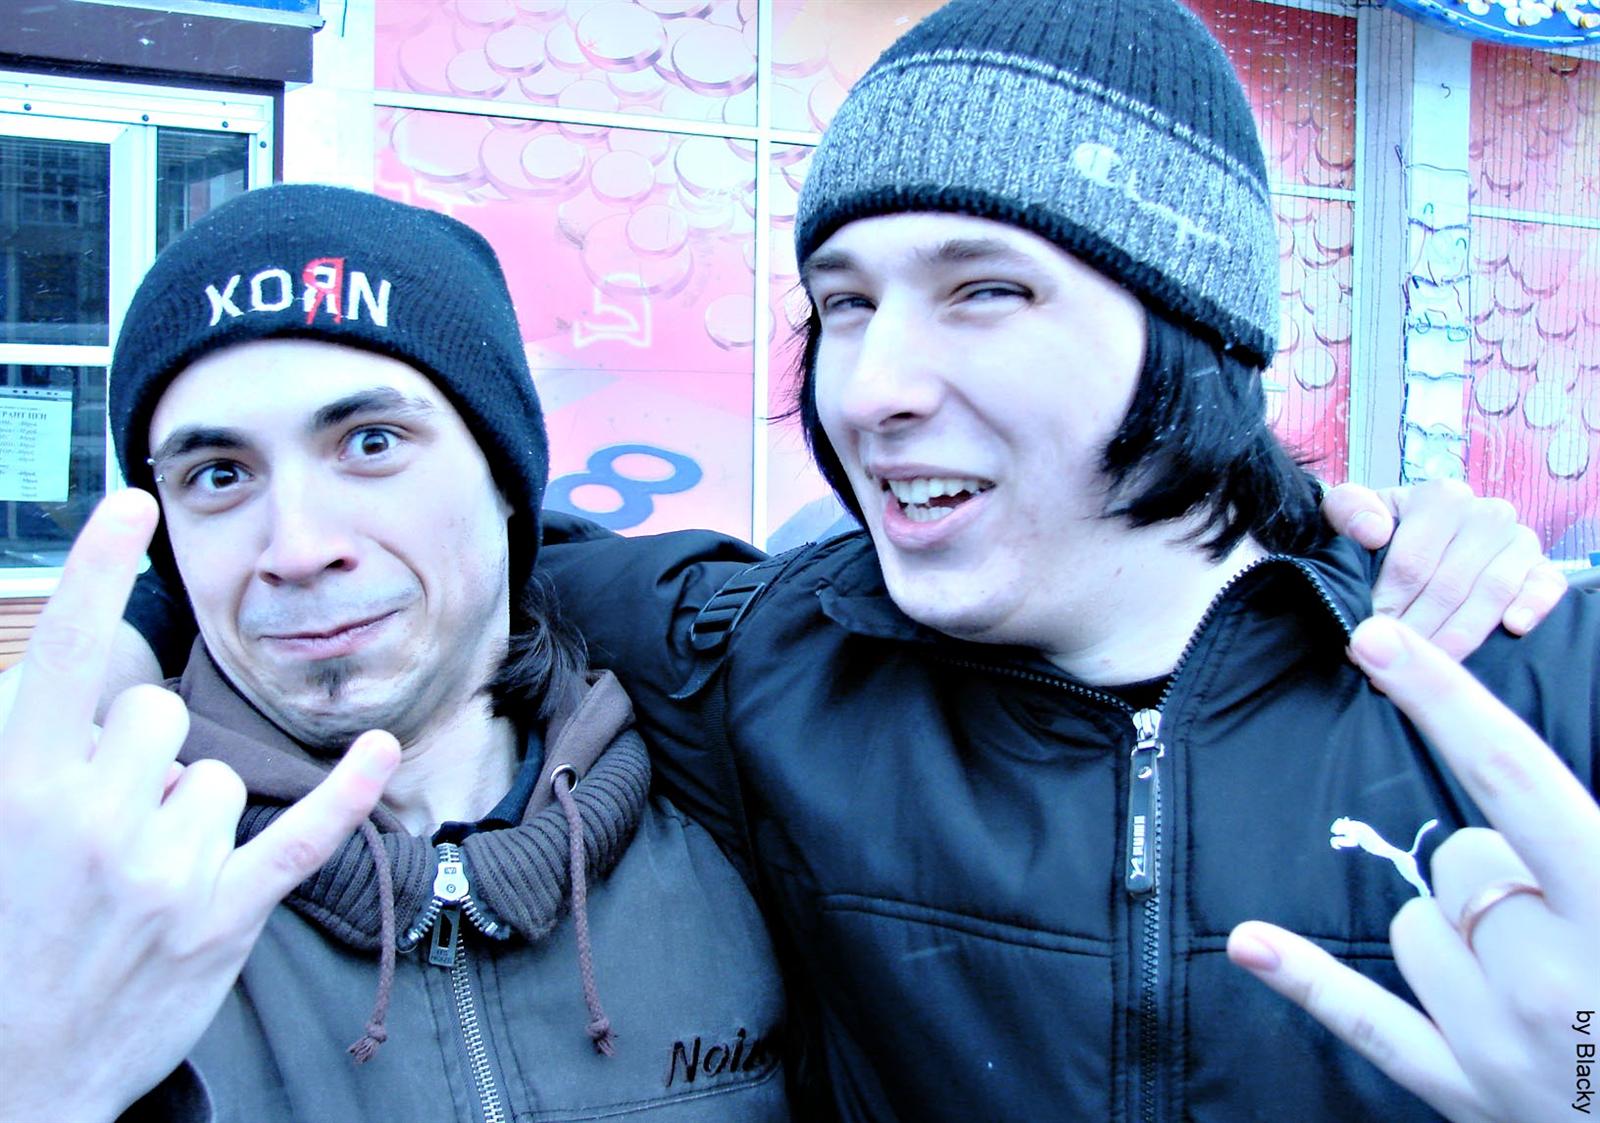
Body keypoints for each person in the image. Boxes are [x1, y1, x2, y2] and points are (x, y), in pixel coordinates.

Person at [68, 3, 1589, 1120]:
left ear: (1198, 329)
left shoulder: (1528, 687)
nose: (872, 387)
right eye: (845, 304)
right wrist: (114, 658)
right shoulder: (768, 662)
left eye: (985, 289)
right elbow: (428, 564)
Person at [0, 185, 788, 1122]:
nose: (297, 547)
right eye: (219, 475)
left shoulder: (749, 808)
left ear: (506, 475)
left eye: (371, 443)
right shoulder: (64, 897)